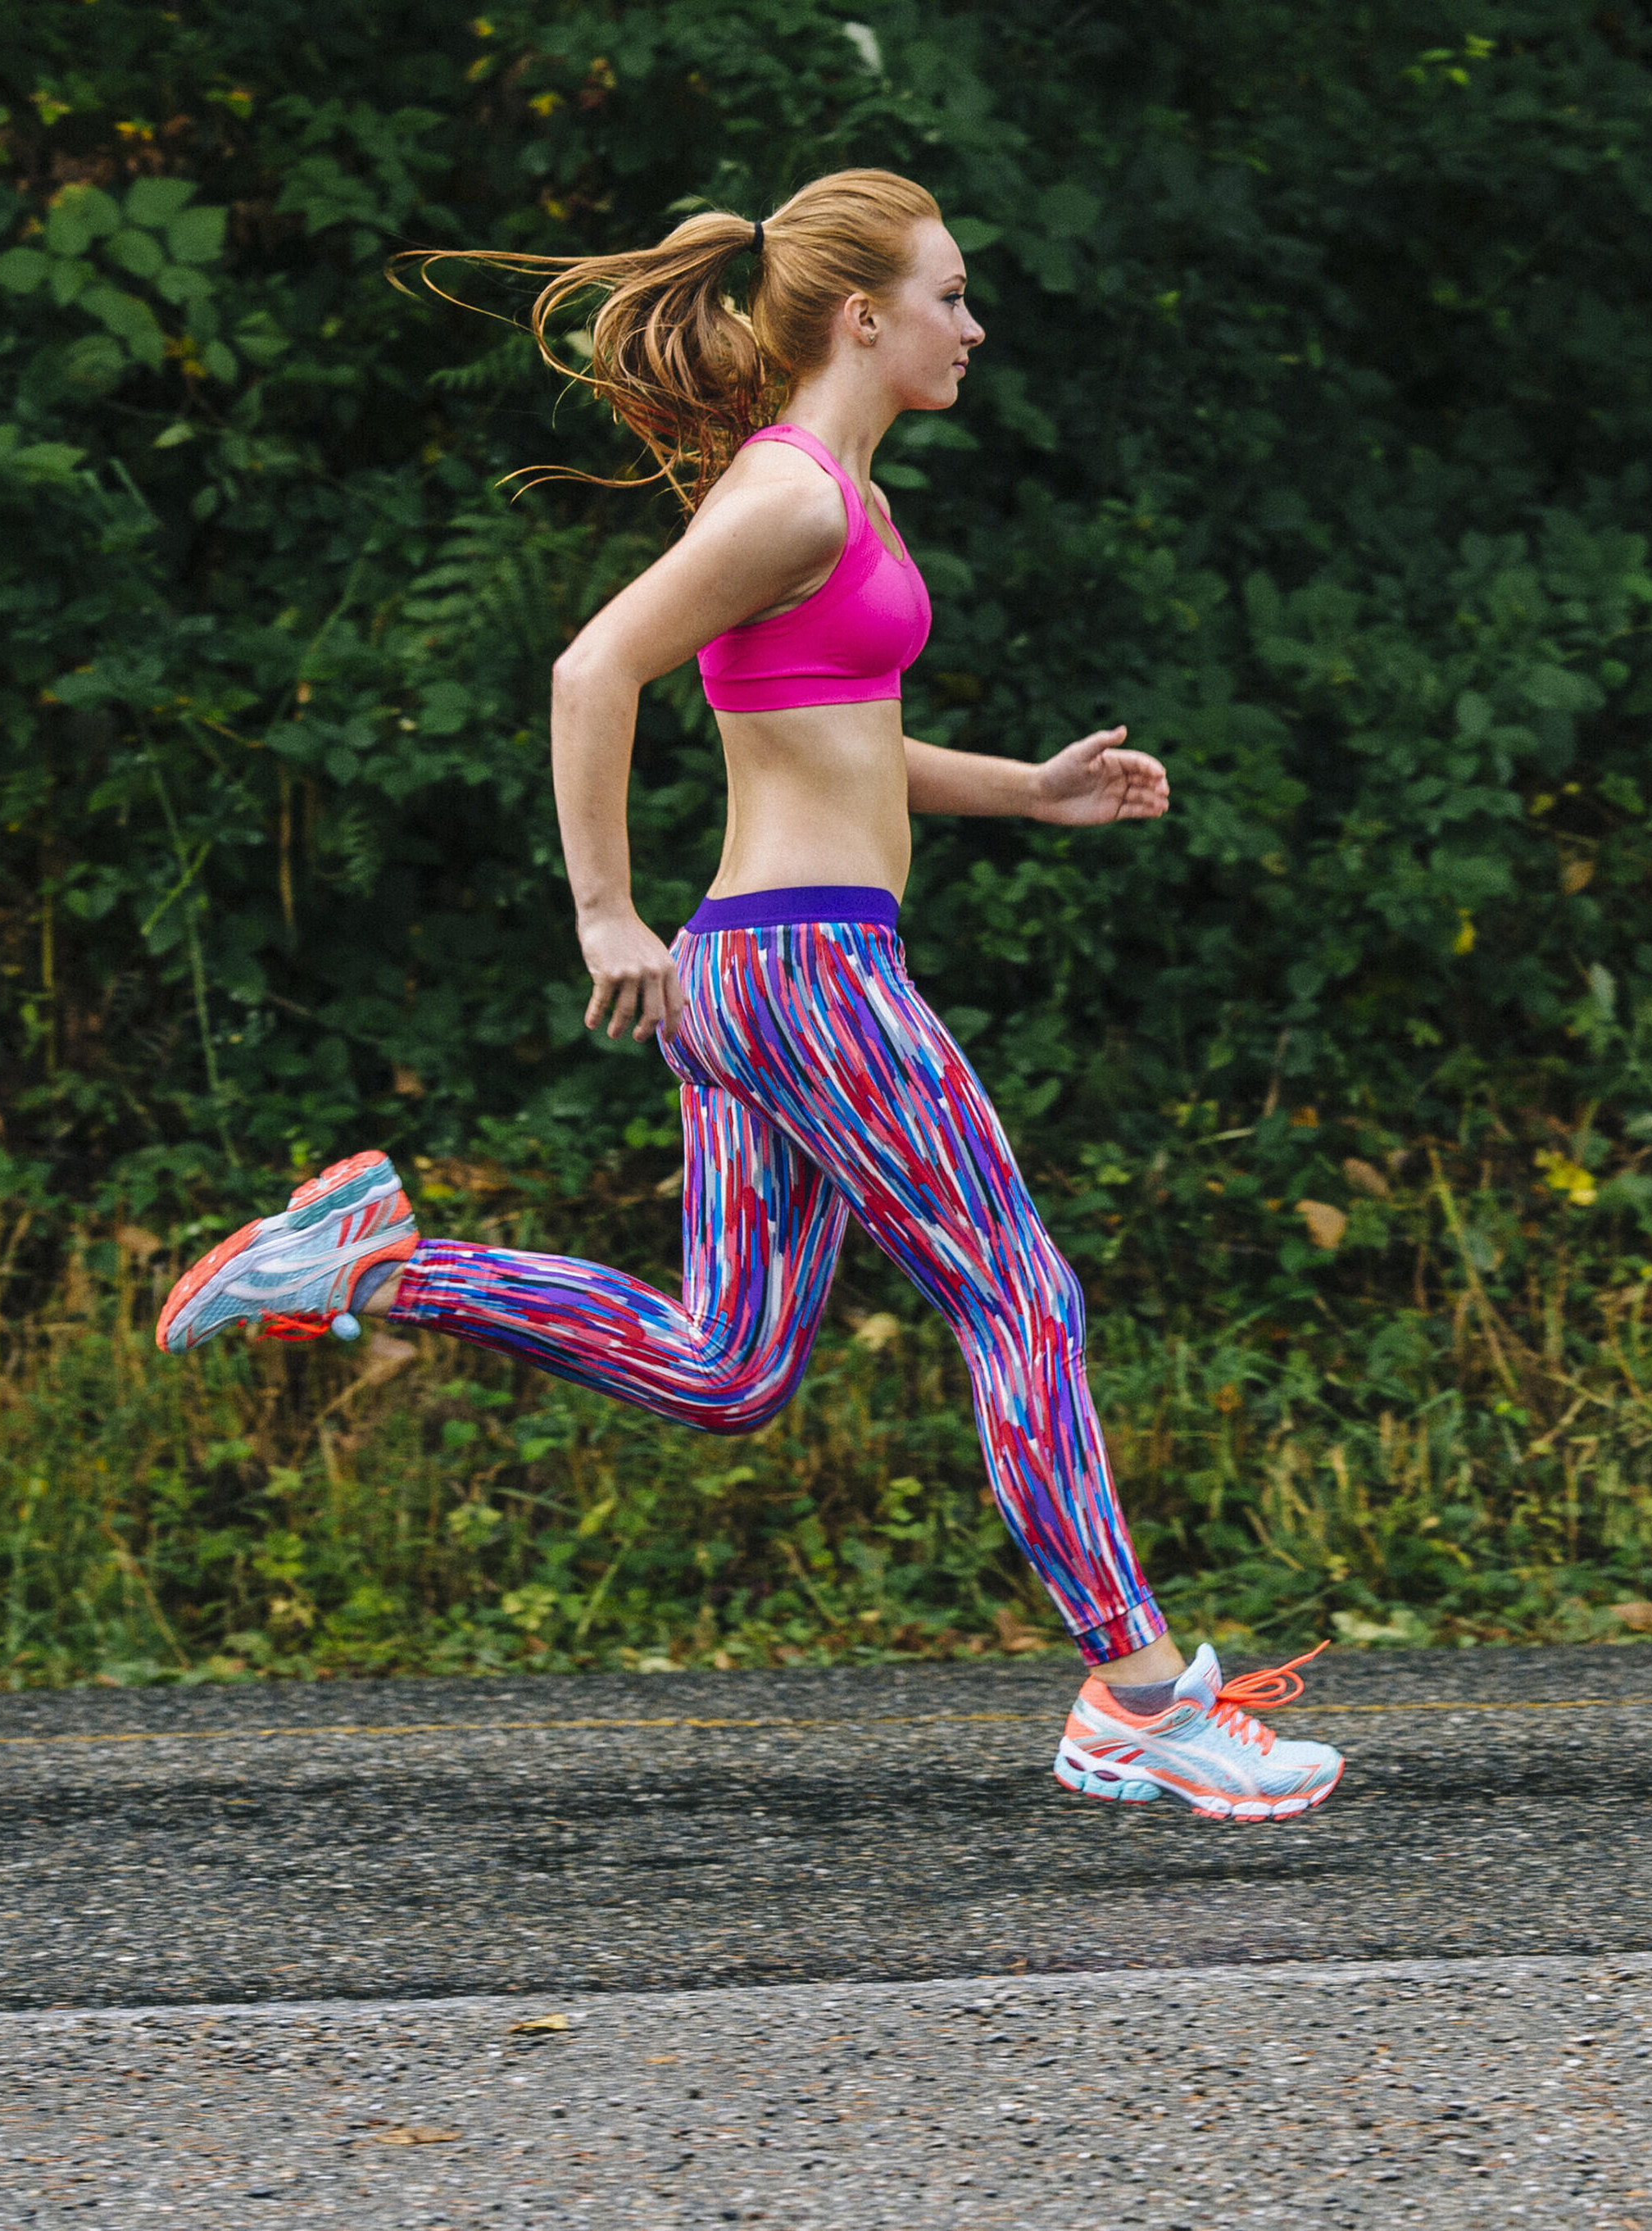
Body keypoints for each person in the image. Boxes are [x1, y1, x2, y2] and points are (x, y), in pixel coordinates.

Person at [152, 169, 1339, 1824]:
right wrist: (600, 912)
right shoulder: (789, 498)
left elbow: (838, 745)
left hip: (768, 970)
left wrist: (1028, 788)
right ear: (863, 315)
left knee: (727, 1363)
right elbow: (591, 667)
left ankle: (381, 1263)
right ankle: (1137, 1694)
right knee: (1022, 1297)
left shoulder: (826, 489)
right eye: (948, 295)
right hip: (802, 974)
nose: (971, 324)